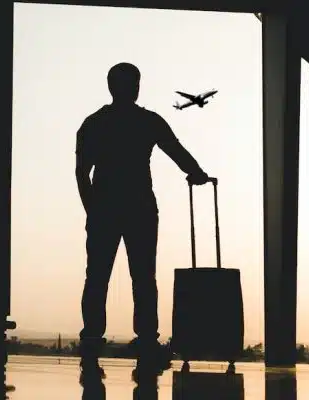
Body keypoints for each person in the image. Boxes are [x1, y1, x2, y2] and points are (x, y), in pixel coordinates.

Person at [75, 62, 210, 374]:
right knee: (143, 276)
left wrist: (91, 210)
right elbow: (175, 150)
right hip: (139, 208)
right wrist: (197, 173)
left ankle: (93, 335)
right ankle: (146, 337)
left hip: (106, 207)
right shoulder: (147, 121)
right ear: (134, 87)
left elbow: (83, 173)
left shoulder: (94, 123)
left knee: (97, 276)